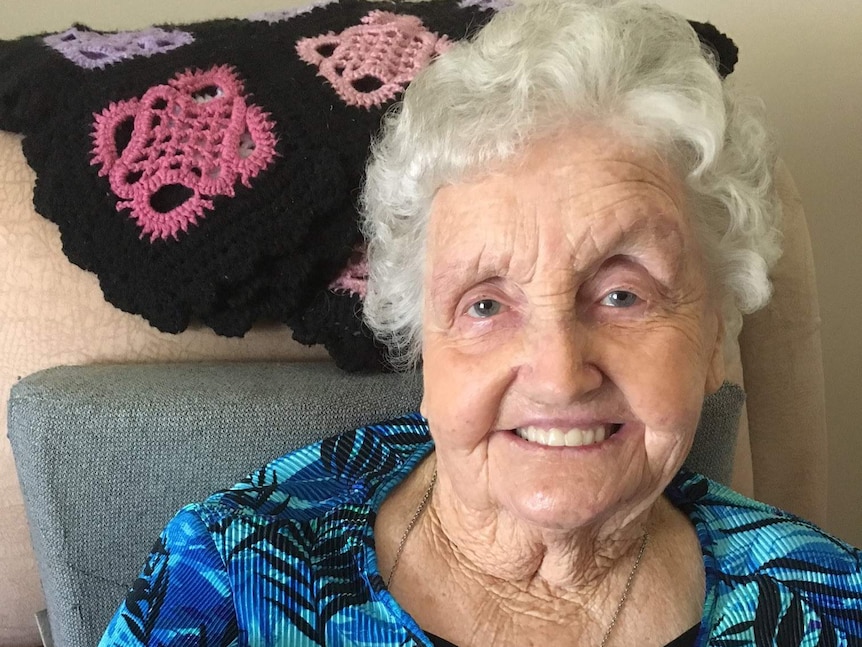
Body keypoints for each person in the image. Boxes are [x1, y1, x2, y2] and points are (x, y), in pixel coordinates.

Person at [99, 1, 862, 645]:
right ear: (424, 343)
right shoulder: (231, 577)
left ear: (712, 338)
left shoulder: (829, 602)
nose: (559, 373)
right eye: (487, 304)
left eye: (624, 295)